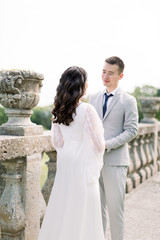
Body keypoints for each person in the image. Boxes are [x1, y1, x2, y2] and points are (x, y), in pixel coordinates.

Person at [38, 66, 105, 240]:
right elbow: (99, 144)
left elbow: (57, 142)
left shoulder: (58, 109)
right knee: (83, 205)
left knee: (63, 202)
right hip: (82, 161)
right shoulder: (87, 110)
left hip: (66, 160)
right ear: (83, 86)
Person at [90, 56, 138, 240]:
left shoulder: (128, 100)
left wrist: (107, 145)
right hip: (94, 163)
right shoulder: (93, 98)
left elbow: (132, 130)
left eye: (110, 73)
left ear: (120, 75)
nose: (106, 76)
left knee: (115, 212)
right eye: (103, 71)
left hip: (116, 164)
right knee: (97, 212)